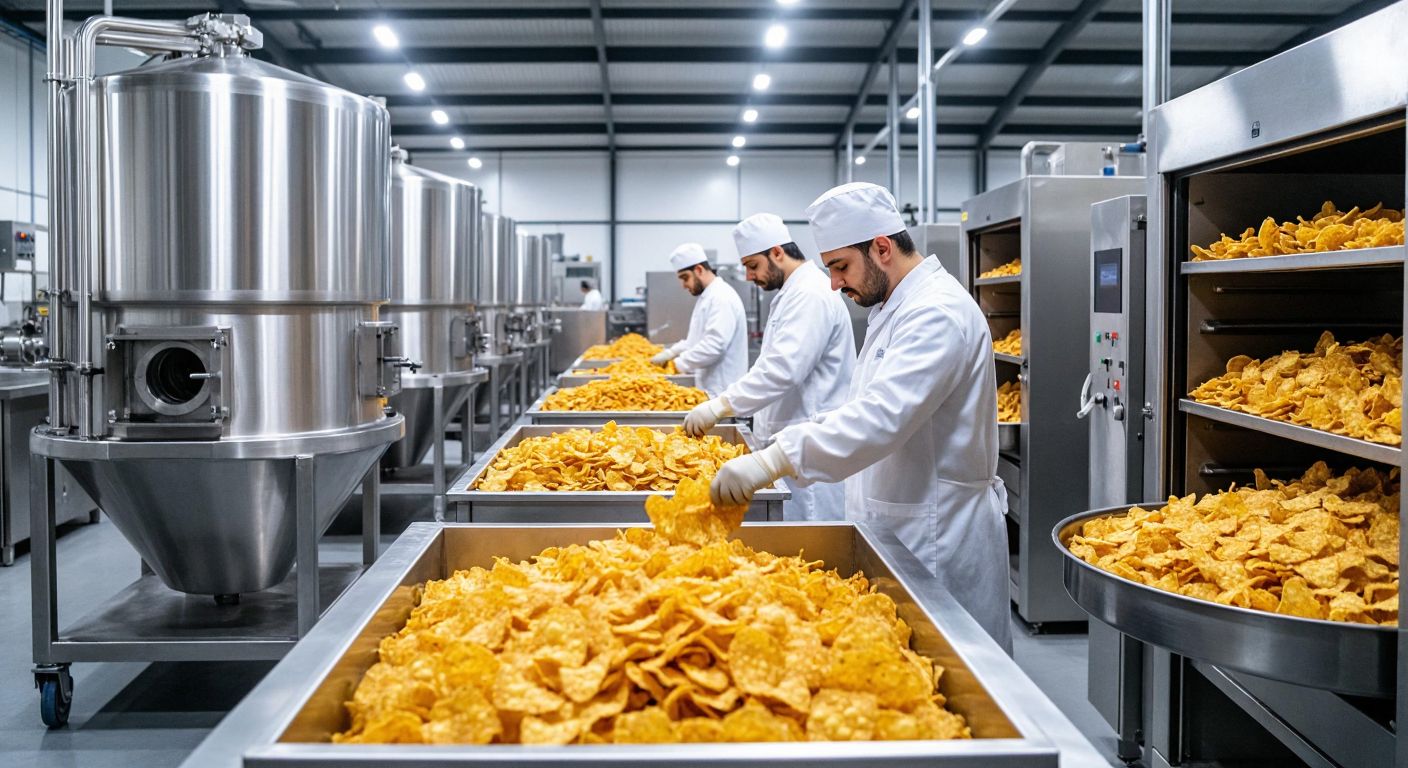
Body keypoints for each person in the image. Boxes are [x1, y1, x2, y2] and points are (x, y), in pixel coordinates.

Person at [708, 182, 1011, 651]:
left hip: (937, 533)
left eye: (841, 267)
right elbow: (861, 408)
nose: (833, 283)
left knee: (943, 680)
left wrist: (773, 460)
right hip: (901, 521)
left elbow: (880, 418)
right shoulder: (895, 307)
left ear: (882, 248)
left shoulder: (937, 313)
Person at [683, 213, 854, 521]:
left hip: (807, 452)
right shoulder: (792, 293)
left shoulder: (809, 294)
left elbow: (782, 369)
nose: (748, 277)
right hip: (785, 442)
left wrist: (720, 405)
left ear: (777, 253)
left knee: (806, 548)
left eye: (752, 266)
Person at [650, 243, 747, 396]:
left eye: (685, 278)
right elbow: (695, 342)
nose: (683, 285)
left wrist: (677, 365)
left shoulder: (721, 298)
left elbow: (714, 346)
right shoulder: (707, 297)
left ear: (699, 270)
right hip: (711, 390)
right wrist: (671, 352)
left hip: (723, 391)